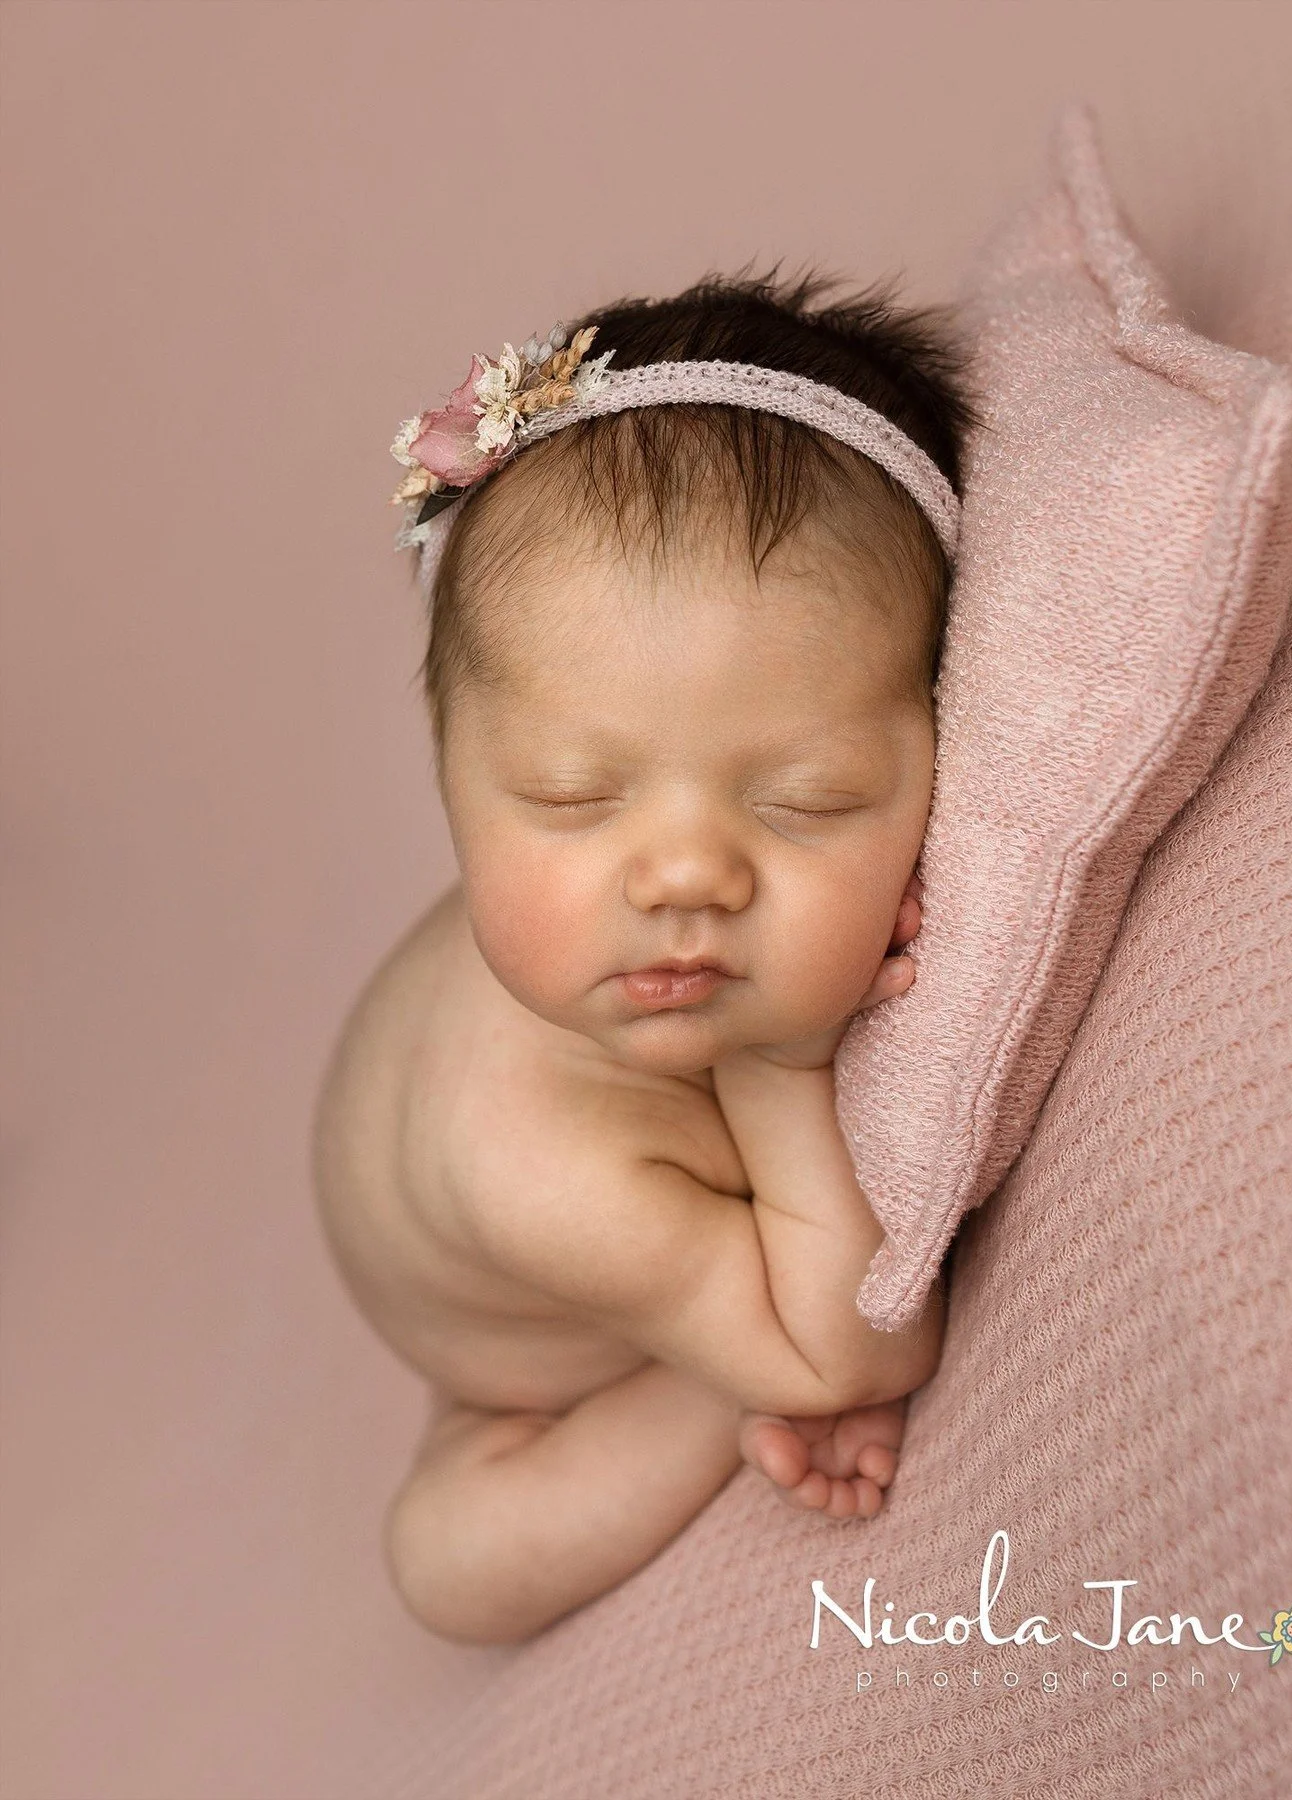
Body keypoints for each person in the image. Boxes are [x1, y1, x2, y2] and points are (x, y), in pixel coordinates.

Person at [311, 269, 983, 1645]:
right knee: (450, 1567)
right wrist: (789, 1068)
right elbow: (856, 1346)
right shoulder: (538, 1164)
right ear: (448, 780)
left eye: (806, 799)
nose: (685, 877)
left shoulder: (627, 931)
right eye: (569, 797)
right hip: (531, 1355)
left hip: (608, 1241)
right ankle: (699, 1377)